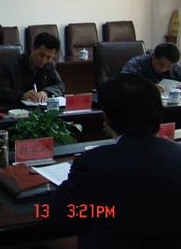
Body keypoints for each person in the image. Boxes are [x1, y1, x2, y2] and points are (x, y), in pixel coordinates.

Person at [45, 73, 181, 248]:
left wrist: (96, 211)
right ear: (159, 113)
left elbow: (53, 211)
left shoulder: (93, 163)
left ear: (107, 118)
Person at [0, 32, 64, 107]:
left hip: (38, 109)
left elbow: (60, 86)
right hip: (14, 109)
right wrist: (21, 95)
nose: (44, 60)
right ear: (32, 48)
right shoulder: (11, 66)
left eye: (49, 57)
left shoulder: (49, 65)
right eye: (41, 55)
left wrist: (46, 92)